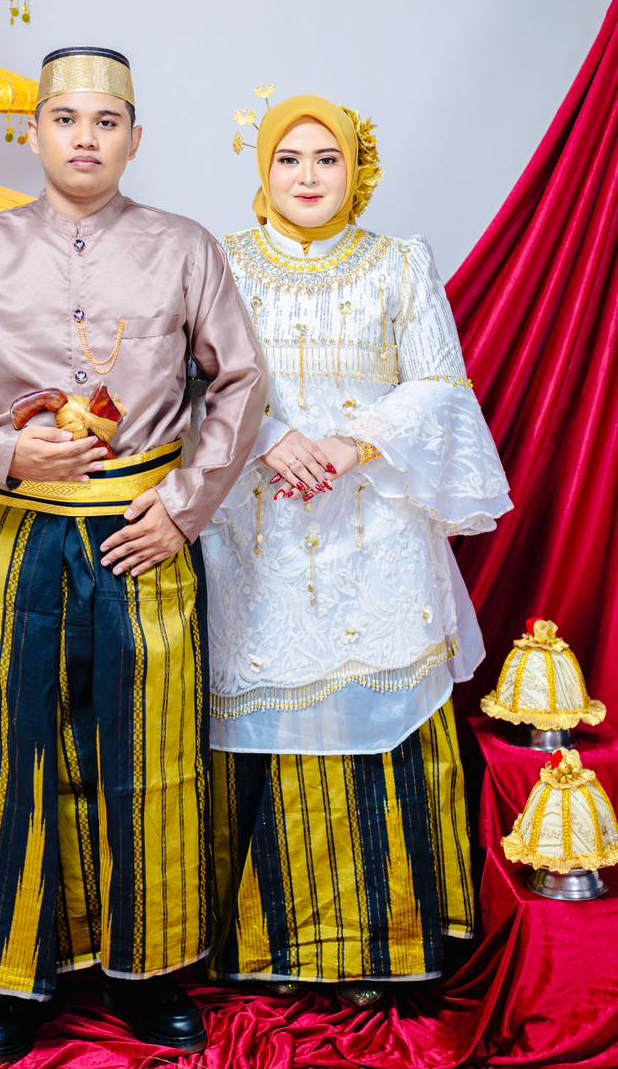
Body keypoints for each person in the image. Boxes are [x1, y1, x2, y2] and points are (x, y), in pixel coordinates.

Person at [0, 47, 266, 1064]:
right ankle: (16, 977)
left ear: (135, 138)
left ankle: (148, 974)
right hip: (18, 531)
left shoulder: (184, 247)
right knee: (13, 754)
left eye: (106, 120)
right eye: (65, 119)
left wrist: (184, 507)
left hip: (142, 533)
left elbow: (240, 382)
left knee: (145, 753)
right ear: (35, 134)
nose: (85, 137)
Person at [202, 92, 511, 1002]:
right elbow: (194, 381)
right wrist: (268, 437)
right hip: (262, 533)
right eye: (289, 159)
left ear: (356, 169)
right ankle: (270, 944)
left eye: (326, 158)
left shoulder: (400, 263)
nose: (307, 177)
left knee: (384, 723)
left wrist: (353, 442)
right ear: (263, 169)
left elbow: (440, 385)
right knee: (274, 726)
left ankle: (389, 947)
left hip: (375, 532)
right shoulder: (223, 265)